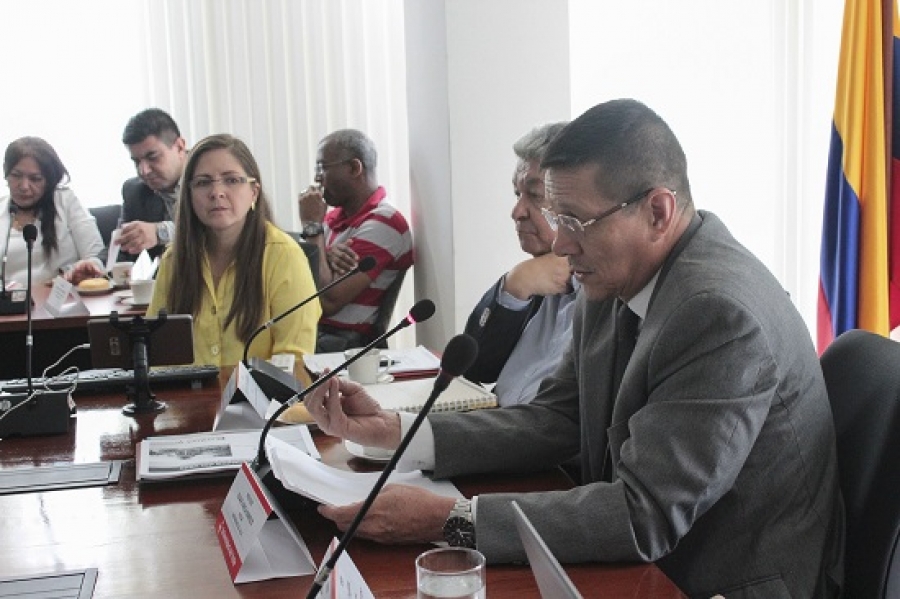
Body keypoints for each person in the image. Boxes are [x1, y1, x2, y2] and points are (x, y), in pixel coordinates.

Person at [302, 100, 845, 598]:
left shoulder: (719, 314)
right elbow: (558, 417)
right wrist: (397, 433)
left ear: (658, 212)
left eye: (575, 221)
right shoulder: (616, 276)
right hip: (652, 560)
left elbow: (643, 514)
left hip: (718, 578)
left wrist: (450, 519)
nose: (560, 243)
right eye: (558, 219)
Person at [147, 133, 320, 367]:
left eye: (231, 180)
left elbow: (293, 359)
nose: (216, 192)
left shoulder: (284, 256)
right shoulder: (174, 260)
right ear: (189, 195)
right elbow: (157, 350)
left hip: (263, 391)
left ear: (253, 192)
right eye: (203, 182)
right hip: (186, 391)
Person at [464, 122, 577, 406]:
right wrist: (513, 287)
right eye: (517, 194)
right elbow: (475, 368)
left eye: (535, 196)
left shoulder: (609, 295)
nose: (517, 212)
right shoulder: (532, 277)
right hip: (499, 419)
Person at [297, 129, 413, 352]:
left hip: (342, 345)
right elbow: (304, 274)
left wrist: (312, 228)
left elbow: (328, 300)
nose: (317, 178)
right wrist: (326, 255)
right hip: (315, 333)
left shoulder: (384, 223)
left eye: (322, 168)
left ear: (354, 168)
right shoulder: (331, 218)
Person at [1, 137, 105, 286]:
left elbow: (96, 256)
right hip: (11, 300)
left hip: (63, 296)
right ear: (6, 173)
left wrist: (84, 269)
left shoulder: (65, 200)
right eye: (16, 175)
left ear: (49, 181)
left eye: (35, 179)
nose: (24, 186)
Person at [118, 108, 188, 261]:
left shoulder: (212, 178)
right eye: (136, 161)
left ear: (180, 147)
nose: (144, 171)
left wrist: (160, 232)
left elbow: (217, 230)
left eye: (153, 157)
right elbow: (121, 249)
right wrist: (97, 265)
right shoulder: (134, 191)